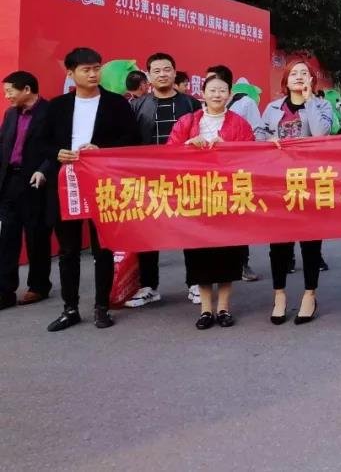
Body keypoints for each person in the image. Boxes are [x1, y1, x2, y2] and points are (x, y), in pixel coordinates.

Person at [41, 48, 139, 331]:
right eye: (86, 70)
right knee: (68, 250)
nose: (93, 74)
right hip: (66, 183)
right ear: (71, 73)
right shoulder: (57, 106)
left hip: (102, 183)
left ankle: (101, 306)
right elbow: (41, 142)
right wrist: (57, 152)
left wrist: (101, 150)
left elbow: (132, 139)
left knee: (103, 248)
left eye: (96, 68)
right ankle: (70, 308)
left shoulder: (116, 104)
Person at [166, 72, 255, 329]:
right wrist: (187, 145)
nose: (217, 95)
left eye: (222, 90)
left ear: (229, 94)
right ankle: (205, 309)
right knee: (199, 254)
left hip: (228, 196)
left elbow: (251, 155)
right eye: (212, 90)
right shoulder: (187, 121)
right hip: (195, 196)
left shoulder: (239, 123)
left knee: (228, 253)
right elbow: (169, 153)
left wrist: (227, 146)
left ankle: (224, 308)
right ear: (202, 94)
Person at [256, 58, 334, 325]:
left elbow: (321, 134)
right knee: (279, 243)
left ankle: (309, 295)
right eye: (294, 74)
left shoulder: (322, 105)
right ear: (286, 81)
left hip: (310, 182)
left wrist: (310, 100)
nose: (299, 77)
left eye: (304, 73)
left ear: (312, 79)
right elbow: (259, 136)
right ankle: (279, 295)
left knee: (310, 242)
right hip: (278, 183)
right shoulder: (273, 108)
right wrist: (268, 140)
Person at [125, 52, 199, 308]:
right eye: (156, 71)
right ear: (148, 76)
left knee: (190, 230)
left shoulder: (191, 104)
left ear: (174, 72)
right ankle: (148, 286)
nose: (162, 74)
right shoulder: (137, 105)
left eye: (167, 69)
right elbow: (128, 142)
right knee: (147, 232)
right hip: (148, 178)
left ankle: (195, 282)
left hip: (186, 177)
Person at [0, 71, 52, 309]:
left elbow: (57, 148)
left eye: (10, 91)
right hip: (10, 182)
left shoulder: (50, 112)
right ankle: (5, 291)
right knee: (7, 238)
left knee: (36, 236)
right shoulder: (10, 114)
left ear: (27, 90)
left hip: (35, 181)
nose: (7, 96)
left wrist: (44, 170)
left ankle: (38, 286)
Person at [207, 64, 263, 282]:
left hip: (235, 172)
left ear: (227, 88)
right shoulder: (197, 115)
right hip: (207, 177)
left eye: (215, 82)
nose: (212, 89)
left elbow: (256, 133)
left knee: (237, 220)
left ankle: (242, 264)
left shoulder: (245, 103)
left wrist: (232, 147)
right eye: (208, 84)